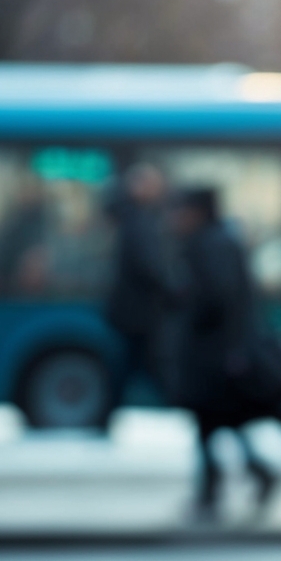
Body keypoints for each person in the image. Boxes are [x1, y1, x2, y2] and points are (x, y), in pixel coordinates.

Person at [169, 187, 281, 511]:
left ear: (197, 212)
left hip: (213, 354)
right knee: (216, 421)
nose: (175, 219)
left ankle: (220, 486)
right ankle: (242, 478)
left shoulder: (210, 244)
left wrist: (184, 299)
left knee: (212, 420)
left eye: (181, 211)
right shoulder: (222, 240)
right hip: (218, 352)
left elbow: (218, 299)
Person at [104, 162, 174, 412]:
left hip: (132, 310)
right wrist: (172, 288)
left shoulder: (129, 216)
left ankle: (108, 411)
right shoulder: (138, 220)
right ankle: (179, 402)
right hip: (138, 311)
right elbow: (149, 266)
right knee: (144, 363)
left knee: (134, 363)